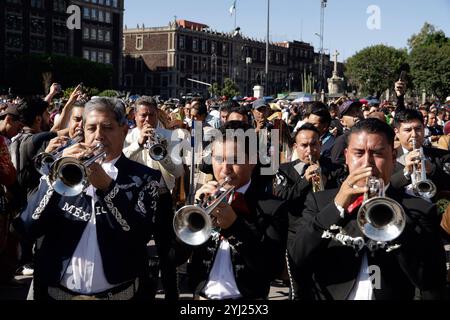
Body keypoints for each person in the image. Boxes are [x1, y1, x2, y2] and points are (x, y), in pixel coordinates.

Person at [14, 97, 163, 300]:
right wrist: (54, 178)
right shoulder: (59, 171)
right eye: (91, 128)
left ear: (124, 131)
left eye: (108, 128)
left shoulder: (146, 178)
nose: (98, 136)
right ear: (83, 130)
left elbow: (139, 237)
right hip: (57, 294)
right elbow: (26, 227)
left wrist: (108, 188)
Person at [288, 118, 447, 300]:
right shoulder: (319, 202)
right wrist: (336, 206)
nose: (367, 163)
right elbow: (297, 257)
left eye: (378, 154)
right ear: (347, 156)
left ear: (393, 158)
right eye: (358, 153)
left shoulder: (419, 209)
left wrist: (398, 227)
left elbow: (432, 282)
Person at [184, 121, 288, 300]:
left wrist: (235, 226)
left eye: (235, 160)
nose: (225, 169)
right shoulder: (203, 198)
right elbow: (174, 257)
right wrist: (192, 213)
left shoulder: (273, 207)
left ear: (253, 161)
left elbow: (272, 269)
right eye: (218, 159)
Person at [123, 96, 184, 300]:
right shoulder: (127, 136)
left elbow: (178, 171)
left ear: (157, 114)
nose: (148, 119)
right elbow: (117, 165)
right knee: (136, 249)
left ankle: (171, 293)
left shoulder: (171, 135)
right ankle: (142, 292)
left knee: (167, 251)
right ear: (135, 116)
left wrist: (161, 153)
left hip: (162, 198)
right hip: (135, 199)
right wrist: (138, 144)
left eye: (151, 114)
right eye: (143, 115)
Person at [391, 109, 450, 201]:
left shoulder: (443, 155)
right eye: (408, 130)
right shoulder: (389, 158)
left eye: (418, 129)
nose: (414, 135)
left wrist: (432, 170)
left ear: (423, 128)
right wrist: (406, 172)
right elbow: (387, 188)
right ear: (396, 132)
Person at [330, 100, 363, 165]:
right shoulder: (341, 142)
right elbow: (336, 167)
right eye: (351, 113)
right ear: (342, 121)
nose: (357, 115)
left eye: (358, 110)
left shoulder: (369, 136)